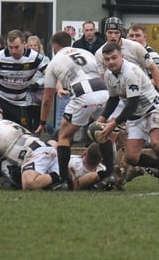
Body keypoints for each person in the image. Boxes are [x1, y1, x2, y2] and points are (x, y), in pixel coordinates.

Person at [34, 31, 113, 190]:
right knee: (103, 133)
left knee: (64, 136)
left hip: (82, 94)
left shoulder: (54, 62)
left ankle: (64, 180)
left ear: (54, 46)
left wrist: (42, 122)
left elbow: (47, 98)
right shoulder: (86, 52)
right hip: (103, 92)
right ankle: (109, 174)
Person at [98, 43, 159, 192]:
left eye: (114, 58)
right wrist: (102, 118)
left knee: (157, 145)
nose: (111, 62)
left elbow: (132, 104)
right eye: (107, 59)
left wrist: (113, 123)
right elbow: (114, 99)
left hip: (152, 108)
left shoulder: (131, 72)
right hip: (135, 115)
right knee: (130, 158)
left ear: (122, 56)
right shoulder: (109, 75)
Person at [0, 29, 48, 129]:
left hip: (19, 101)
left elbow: (49, 74)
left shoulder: (35, 58)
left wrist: (59, 86)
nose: (13, 51)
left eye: (16, 47)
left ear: (24, 44)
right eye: (10, 47)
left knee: (22, 134)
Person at [26, 35, 48, 132]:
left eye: (35, 45)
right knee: (27, 121)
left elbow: (48, 75)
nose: (33, 47)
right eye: (30, 45)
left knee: (37, 120)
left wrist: (38, 83)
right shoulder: (24, 59)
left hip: (39, 95)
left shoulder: (45, 59)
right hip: (26, 95)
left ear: (39, 47)